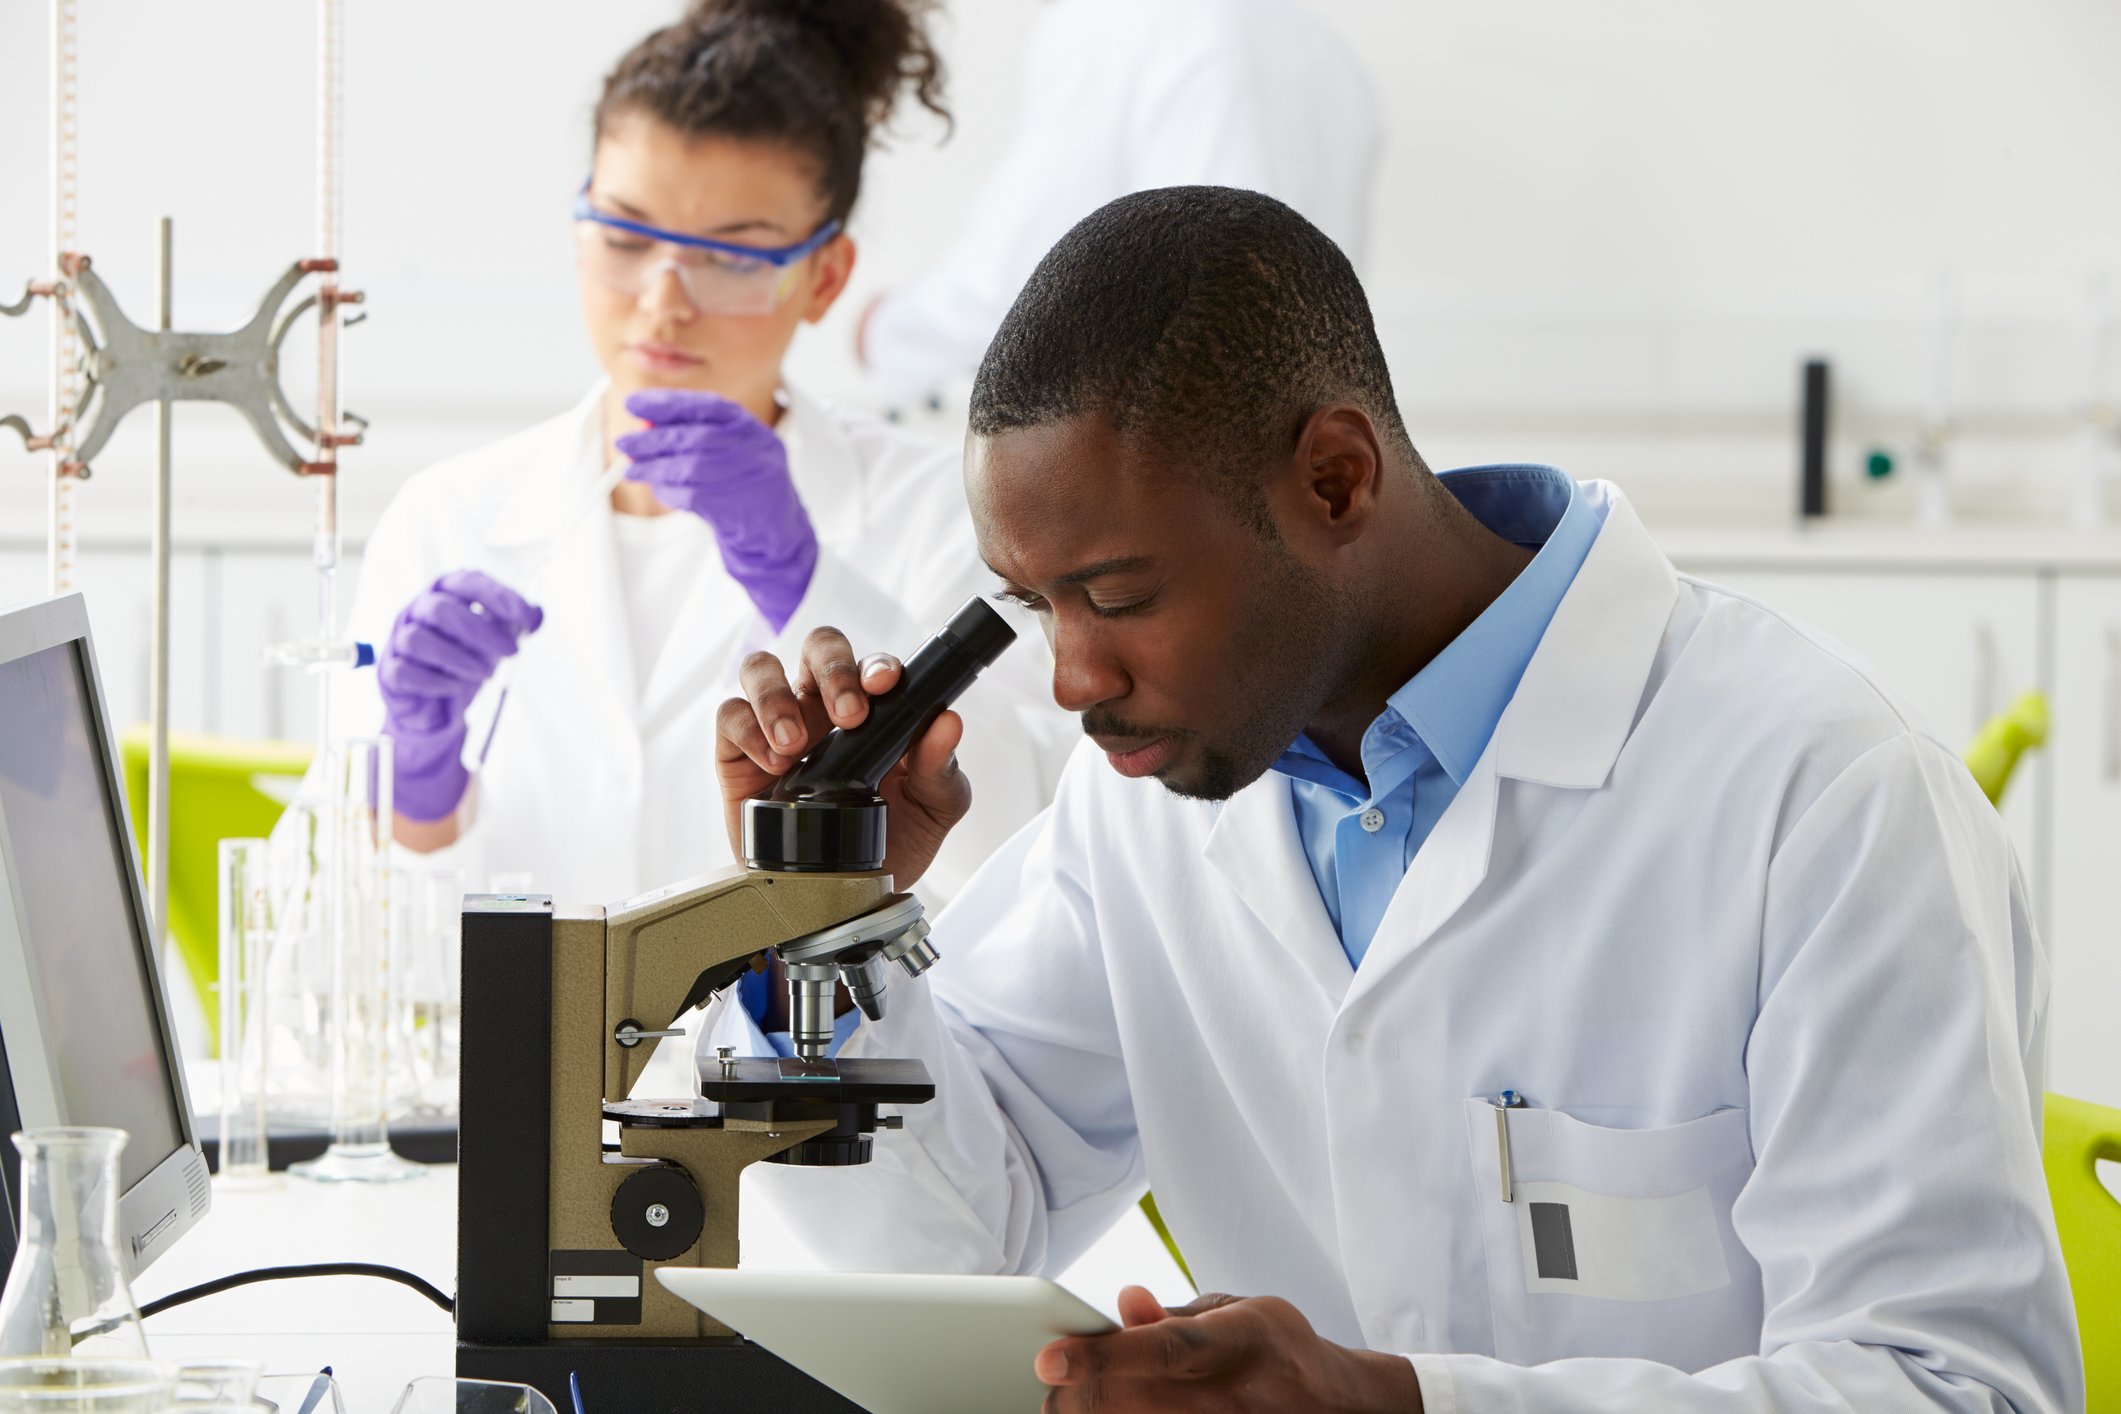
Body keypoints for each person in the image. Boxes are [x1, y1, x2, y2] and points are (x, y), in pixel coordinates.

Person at [708, 188, 2081, 1411]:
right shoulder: (1149, 801)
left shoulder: (1823, 796)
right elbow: (945, 1249)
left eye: (1119, 595)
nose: (1072, 678)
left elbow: (1953, 1383)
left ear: (1335, 479)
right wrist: (824, 914)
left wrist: (1404, 1402)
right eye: (1035, 605)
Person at [334, 0, 1072, 929]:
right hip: (510, 1070)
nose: (663, 301)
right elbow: (343, 943)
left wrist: (804, 581)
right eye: (626, 237)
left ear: (826, 278)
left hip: (809, 1064)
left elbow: (1032, 841)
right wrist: (419, 780)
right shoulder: (444, 516)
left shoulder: (941, 513)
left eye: (732, 256)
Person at [857, 0, 1380, 416]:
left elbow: (1021, 287)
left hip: (1159, 461)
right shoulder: (1319, 47)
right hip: (1294, 451)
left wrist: (890, 330)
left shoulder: (1117, 18)